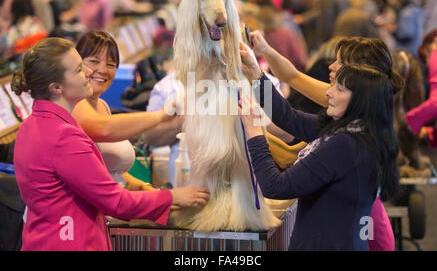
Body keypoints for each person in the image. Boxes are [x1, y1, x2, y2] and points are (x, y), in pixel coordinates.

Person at [12, 37, 209, 250]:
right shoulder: (63, 137)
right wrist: (172, 196)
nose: (89, 72)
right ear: (56, 87)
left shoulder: (32, 125)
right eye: (79, 69)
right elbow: (116, 202)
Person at [243, 32, 402, 251]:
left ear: (360, 100)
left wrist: (254, 132)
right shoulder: (358, 131)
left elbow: (275, 186)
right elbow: (289, 118)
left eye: (339, 89)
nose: (327, 94)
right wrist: (254, 73)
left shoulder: (345, 144)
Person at [71, 31, 178, 191]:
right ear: (77, 65)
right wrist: (161, 115)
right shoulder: (75, 103)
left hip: (114, 200)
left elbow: (112, 171)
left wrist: (144, 188)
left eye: (111, 65)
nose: (102, 70)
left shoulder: (102, 106)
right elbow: (105, 128)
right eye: (93, 61)